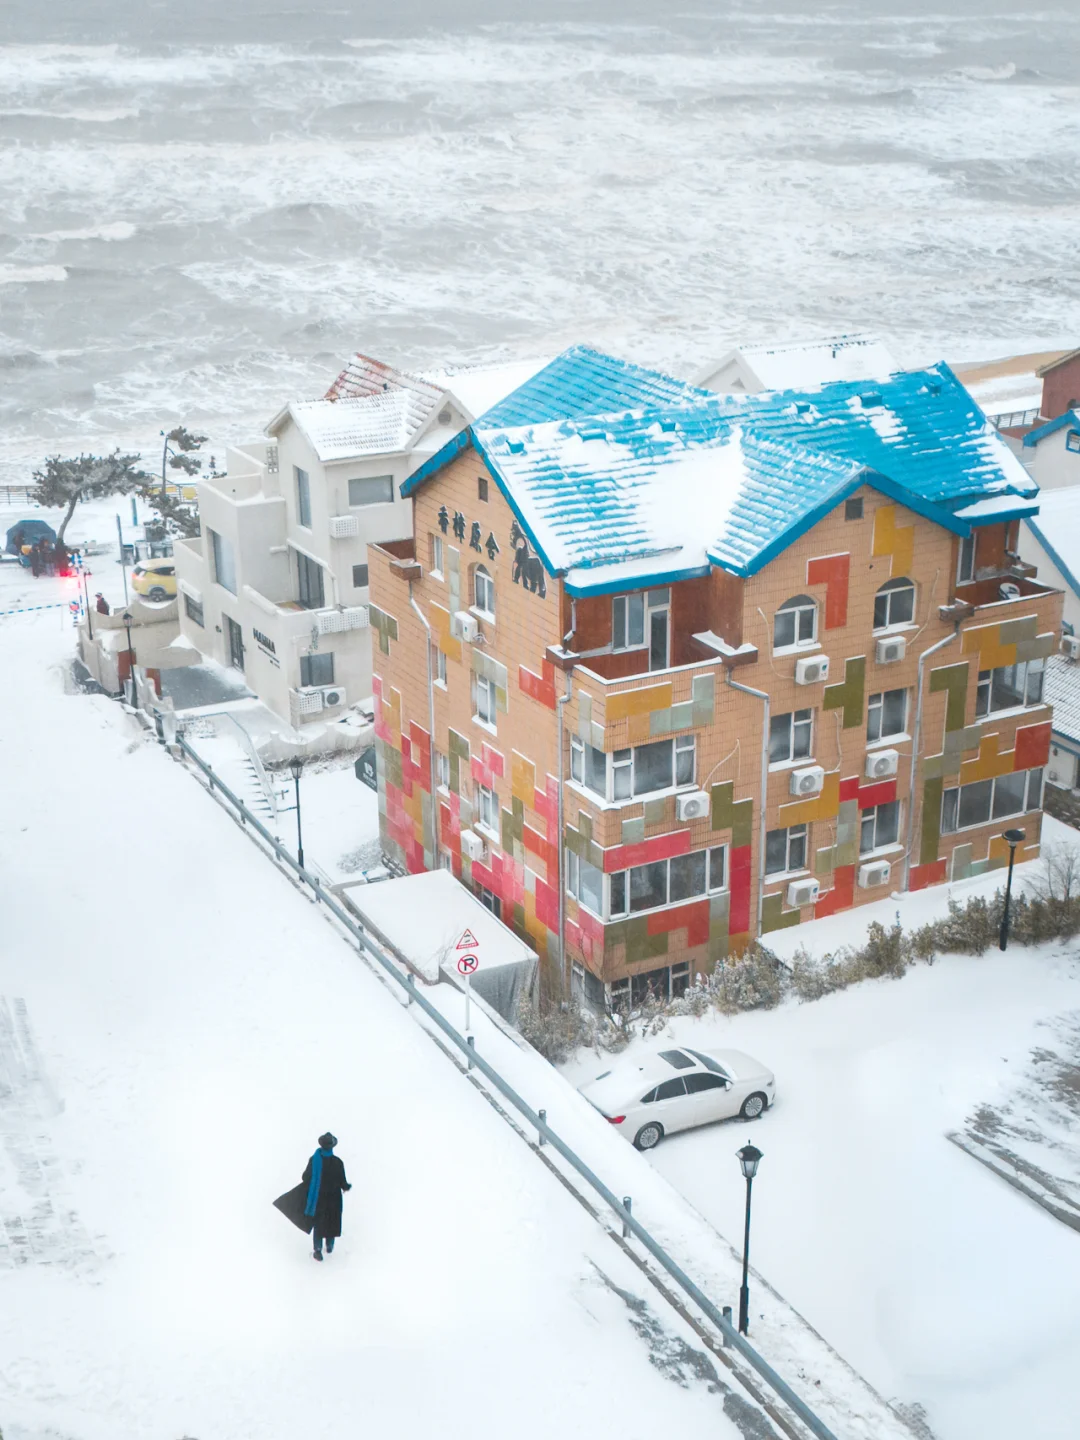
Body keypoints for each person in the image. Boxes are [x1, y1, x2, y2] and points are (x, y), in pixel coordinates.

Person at [301, 1132, 351, 1261]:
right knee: (332, 1222)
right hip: (334, 1199)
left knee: (319, 1223)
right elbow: (342, 1182)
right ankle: (329, 1246)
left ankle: (317, 1249)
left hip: (318, 1199)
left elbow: (305, 1177)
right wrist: (347, 1186)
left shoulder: (314, 1160)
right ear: (332, 1146)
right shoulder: (338, 1162)